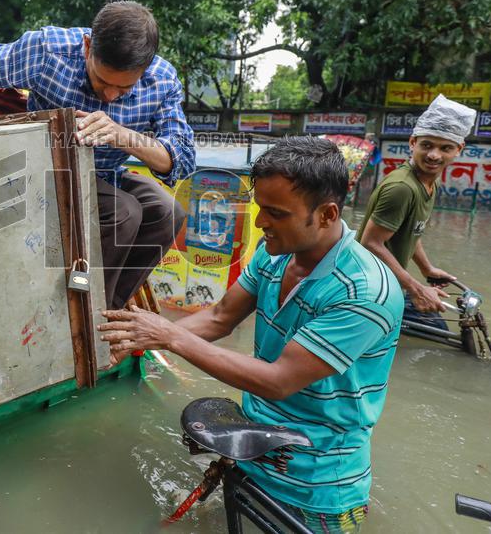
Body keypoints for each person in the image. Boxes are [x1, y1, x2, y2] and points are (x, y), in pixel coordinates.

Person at [99, 137, 404, 532]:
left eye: (275, 213)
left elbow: (278, 381)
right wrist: (140, 338)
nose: (260, 223)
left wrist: (170, 337)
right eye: (260, 208)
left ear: (327, 214)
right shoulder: (274, 253)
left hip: (314, 486)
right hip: (253, 448)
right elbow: (220, 317)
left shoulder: (364, 292)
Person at [0, 1, 194, 309]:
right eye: (102, 81)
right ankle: (77, 309)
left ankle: (106, 309)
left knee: (168, 212)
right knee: (124, 212)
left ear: (147, 65)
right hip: (43, 171)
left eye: (124, 88)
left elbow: (181, 158)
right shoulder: (50, 50)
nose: (110, 95)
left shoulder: (163, 80)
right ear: (88, 46)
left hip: (106, 175)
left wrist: (122, 136)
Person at [356, 94, 476, 328]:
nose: (434, 155)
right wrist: (416, 288)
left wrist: (426, 269)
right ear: (413, 143)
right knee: (438, 333)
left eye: (445, 148)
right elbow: (370, 242)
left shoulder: (430, 182)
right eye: (427, 145)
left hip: (390, 281)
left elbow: (410, 231)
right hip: (369, 287)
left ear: (459, 149)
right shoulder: (402, 188)